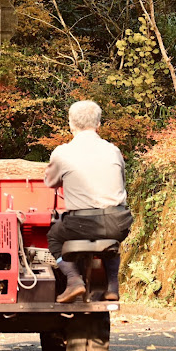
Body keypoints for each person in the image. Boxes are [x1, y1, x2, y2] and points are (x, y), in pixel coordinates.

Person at [44, 100, 133, 303]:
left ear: (71, 125)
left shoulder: (62, 152)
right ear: (98, 125)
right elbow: (121, 181)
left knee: (54, 237)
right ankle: (112, 287)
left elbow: (50, 183)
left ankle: (74, 280)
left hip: (81, 224)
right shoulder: (113, 150)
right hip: (117, 222)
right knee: (112, 241)